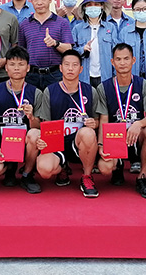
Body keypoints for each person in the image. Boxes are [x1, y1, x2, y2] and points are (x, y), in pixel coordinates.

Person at [94, 43, 146, 199]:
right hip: (114, 138)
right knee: (104, 168)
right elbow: (104, 119)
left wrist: (138, 123)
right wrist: (101, 144)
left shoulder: (143, 85)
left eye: (126, 59)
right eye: (118, 59)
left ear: (133, 60)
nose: (122, 63)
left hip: (136, 136)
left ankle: (142, 177)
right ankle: (118, 166)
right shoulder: (104, 87)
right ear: (112, 62)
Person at [34, 50, 100, 198]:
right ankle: (62, 167)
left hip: (78, 142)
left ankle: (87, 176)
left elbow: (98, 120)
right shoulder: (50, 91)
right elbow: (46, 122)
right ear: (60, 68)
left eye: (75, 65)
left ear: (81, 69)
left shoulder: (90, 91)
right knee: (44, 169)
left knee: (88, 133)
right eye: (67, 65)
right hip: (56, 141)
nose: (70, 68)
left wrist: (94, 123)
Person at [0, 46, 42, 194]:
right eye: (12, 64)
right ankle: (9, 168)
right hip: (3, 143)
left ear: (28, 68)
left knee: (34, 134)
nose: (16, 68)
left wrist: (31, 117)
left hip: (25, 144)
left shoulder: (36, 93)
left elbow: (38, 127)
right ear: (6, 67)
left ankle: (27, 174)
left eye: (21, 64)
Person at [18, 0, 73, 90]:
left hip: (55, 74)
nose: (39, 3)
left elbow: (68, 49)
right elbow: (22, 52)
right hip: (31, 75)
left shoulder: (62, 22)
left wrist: (55, 43)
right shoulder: (24, 24)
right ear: (31, 1)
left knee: (55, 101)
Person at [72, 0, 118, 87]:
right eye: (89, 5)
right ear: (84, 8)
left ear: (102, 7)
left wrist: (115, 74)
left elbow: (116, 53)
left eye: (96, 4)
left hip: (106, 75)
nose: (93, 7)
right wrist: (82, 49)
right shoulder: (77, 29)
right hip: (84, 76)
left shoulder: (110, 28)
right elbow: (71, 52)